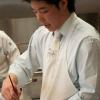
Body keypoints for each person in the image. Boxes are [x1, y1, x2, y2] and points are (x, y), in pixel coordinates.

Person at [1, 0, 100, 100]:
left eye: (44, 11)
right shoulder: (42, 34)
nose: (39, 19)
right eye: (35, 12)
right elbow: (24, 64)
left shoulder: (87, 42)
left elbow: (90, 94)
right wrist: (12, 78)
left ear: (63, 3)